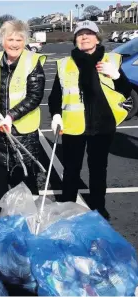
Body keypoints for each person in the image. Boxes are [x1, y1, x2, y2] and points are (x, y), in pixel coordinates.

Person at [48, 21, 132, 220]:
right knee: (70, 170)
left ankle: (98, 208)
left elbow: (126, 91)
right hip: (74, 126)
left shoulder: (111, 60)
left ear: (97, 38)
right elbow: (55, 97)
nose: (84, 37)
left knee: (98, 170)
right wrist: (56, 115)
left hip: (103, 125)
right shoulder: (65, 64)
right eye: (80, 34)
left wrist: (116, 75)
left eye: (89, 34)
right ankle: (67, 208)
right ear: (75, 39)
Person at [0, 20, 46, 213]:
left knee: (24, 174)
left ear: (25, 40)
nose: (15, 43)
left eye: (19, 39)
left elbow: (35, 96)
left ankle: (26, 213)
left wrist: (10, 116)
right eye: (10, 39)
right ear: (2, 40)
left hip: (22, 131)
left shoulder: (32, 61)